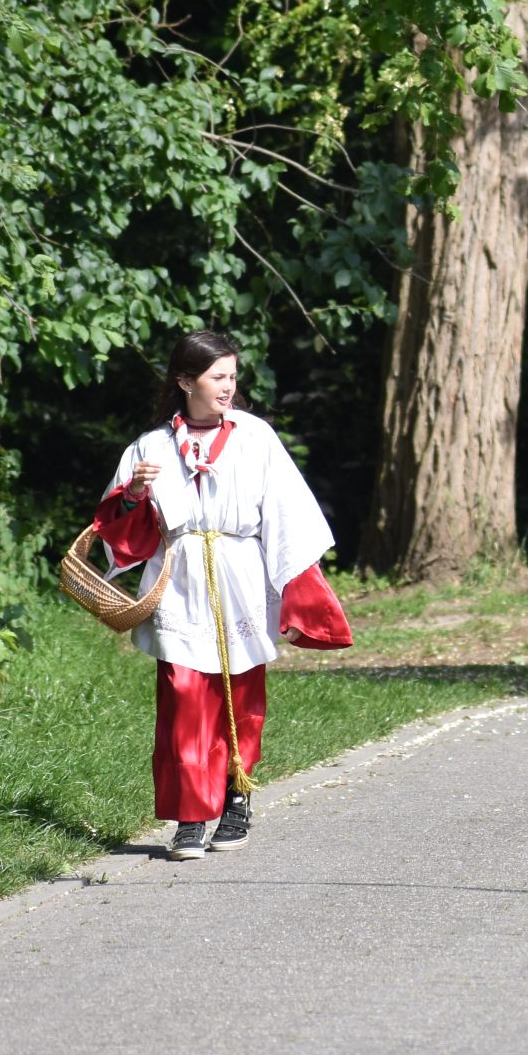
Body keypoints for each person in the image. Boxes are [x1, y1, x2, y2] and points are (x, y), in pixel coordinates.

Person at [94, 330, 354, 858]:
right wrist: (135, 496)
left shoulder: (256, 437)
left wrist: (300, 586)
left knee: (241, 693)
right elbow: (121, 534)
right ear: (186, 381)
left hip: (241, 574)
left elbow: (287, 513)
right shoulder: (150, 447)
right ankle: (191, 815)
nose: (228, 387)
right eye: (218, 377)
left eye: (233, 376)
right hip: (181, 579)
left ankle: (236, 796)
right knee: (185, 696)